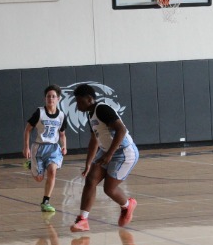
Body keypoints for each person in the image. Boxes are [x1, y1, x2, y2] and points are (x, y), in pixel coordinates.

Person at [70, 83, 139, 232]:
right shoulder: (91, 114)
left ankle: (128, 205)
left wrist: (109, 154)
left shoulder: (102, 109)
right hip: (106, 150)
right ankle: (83, 220)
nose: (77, 105)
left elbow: (121, 130)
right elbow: (94, 140)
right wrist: (88, 163)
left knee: (109, 189)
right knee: (90, 180)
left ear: (90, 99)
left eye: (80, 101)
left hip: (123, 152)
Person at [23, 84, 68, 213]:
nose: (51, 99)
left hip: (53, 148)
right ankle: (31, 164)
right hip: (39, 147)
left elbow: (62, 134)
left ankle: (46, 201)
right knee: (39, 178)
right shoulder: (40, 112)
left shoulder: (61, 116)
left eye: (53, 96)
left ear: (58, 99)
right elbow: (27, 129)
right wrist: (26, 147)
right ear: (45, 98)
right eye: (48, 96)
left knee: (52, 171)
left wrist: (64, 146)